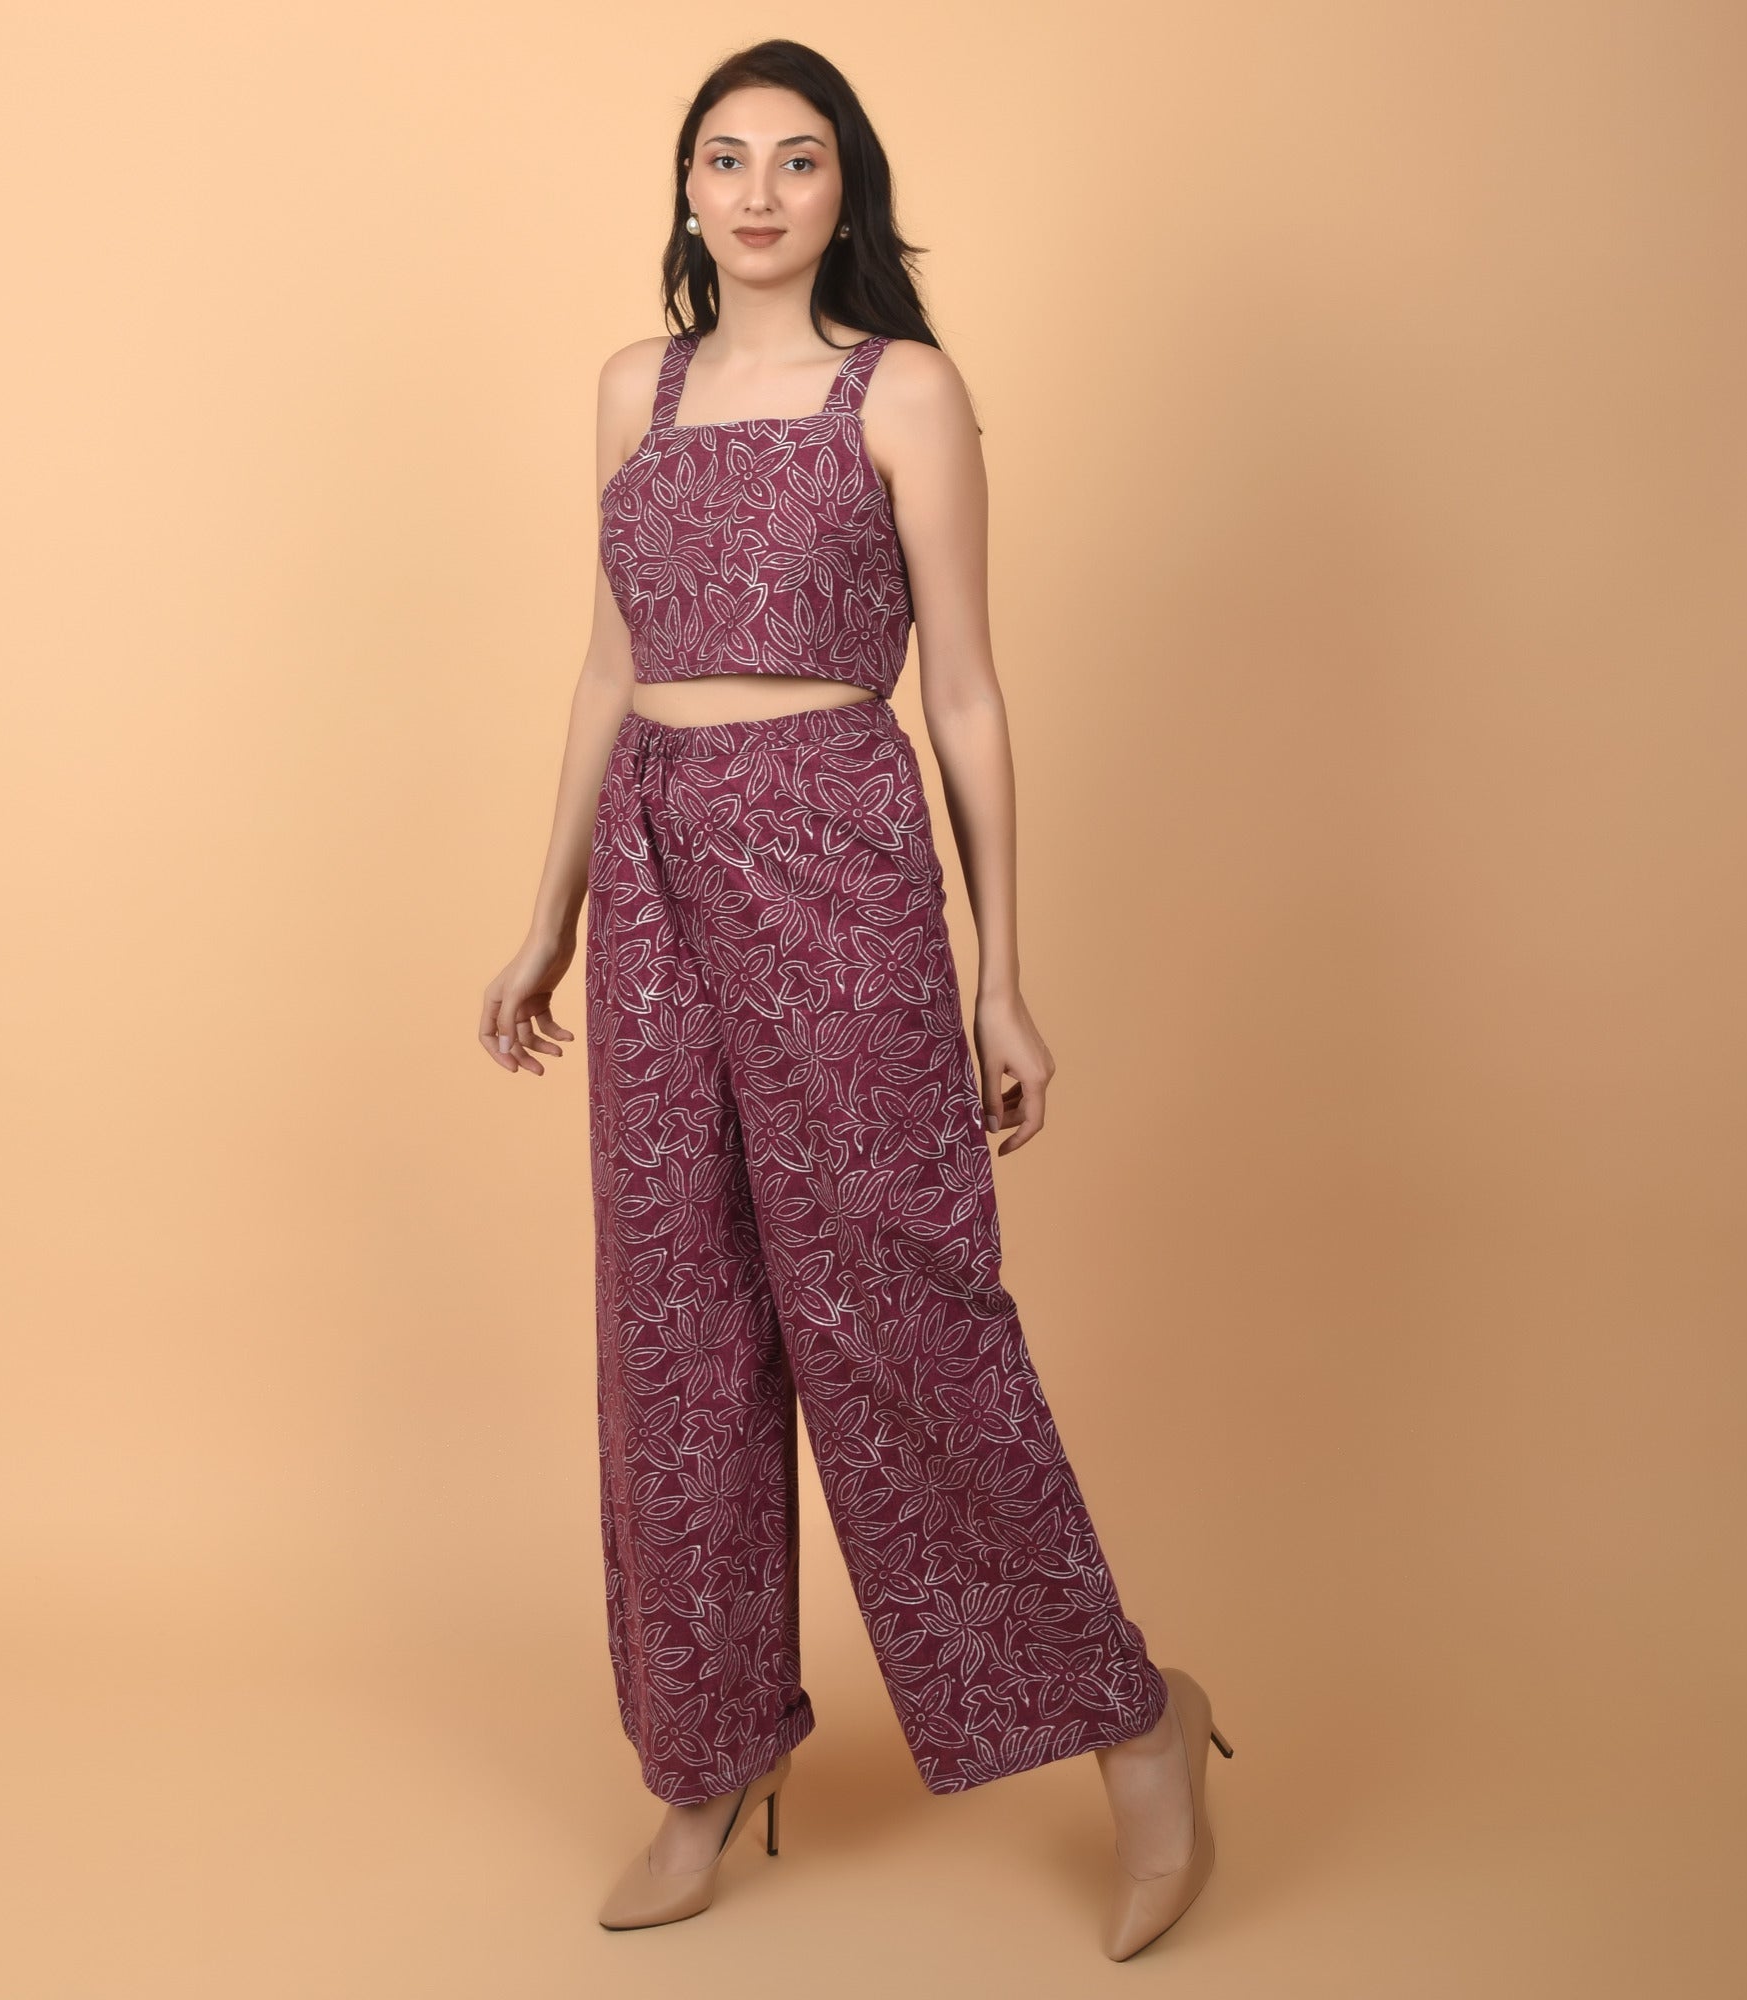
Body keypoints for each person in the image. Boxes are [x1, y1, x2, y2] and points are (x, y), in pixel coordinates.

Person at [478, 39, 1231, 1961]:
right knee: (676, 1318)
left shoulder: (902, 391)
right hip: (652, 864)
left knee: (896, 1302)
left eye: (796, 161)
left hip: (832, 851)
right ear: (686, 186)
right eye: (723, 158)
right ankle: (705, 1761)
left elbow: (962, 686)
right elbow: (604, 667)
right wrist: (547, 911)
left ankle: (1136, 1721)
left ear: (846, 191)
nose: (756, 192)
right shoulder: (630, 392)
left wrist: (1004, 977)